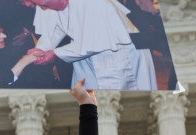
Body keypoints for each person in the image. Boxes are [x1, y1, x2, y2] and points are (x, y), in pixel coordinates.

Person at [20, 0, 157, 90]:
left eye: (44, 5)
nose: (42, 9)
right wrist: (41, 48)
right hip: (83, 54)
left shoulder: (95, 3)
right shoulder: (45, 4)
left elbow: (96, 40)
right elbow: (55, 28)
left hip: (116, 56)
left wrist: (55, 53)